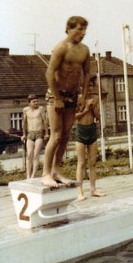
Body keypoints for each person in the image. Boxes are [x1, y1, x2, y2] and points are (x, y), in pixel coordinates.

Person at [42, 16, 91, 187]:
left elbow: (87, 75)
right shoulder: (61, 48)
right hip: (56, 95)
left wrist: (83, 97)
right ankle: (45, 173)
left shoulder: (85, 50)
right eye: (79, 29)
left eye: (84, 30)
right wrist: (56, 98)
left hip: (72, 96)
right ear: (69, 29)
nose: (82, 33)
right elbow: (49, 73)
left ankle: (56, 171)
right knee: (55, 136)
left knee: (65, 136)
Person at [75, 75, 105, 201]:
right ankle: (80, 191)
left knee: (93, 163)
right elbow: (75, 116)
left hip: (92, 130)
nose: (90, 89)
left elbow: (98, 117)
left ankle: (93, 189)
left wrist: (93, 109)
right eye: (88, 87)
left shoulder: (96, 98)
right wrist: (86, 109)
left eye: (92, 86)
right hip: (81, 131)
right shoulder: (78, 99)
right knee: (81, 162)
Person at [22, 94, 49, 179]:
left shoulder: (41, 109)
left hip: (39, 133)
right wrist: (24, 134)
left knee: (35, 155)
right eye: (34, 101)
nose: (36, 103)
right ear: (29, 102)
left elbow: (45, 121)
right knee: (29, 154)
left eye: (37, 101)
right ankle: (28, 176)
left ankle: (33, 175)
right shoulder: (25, 110)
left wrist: (46, 133)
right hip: (30, 133)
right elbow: (24, 123)